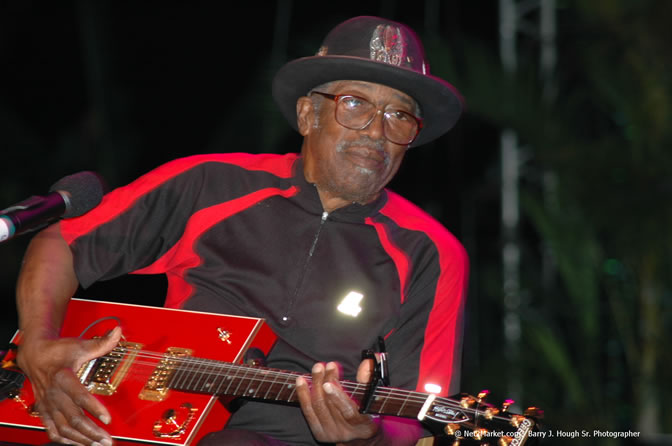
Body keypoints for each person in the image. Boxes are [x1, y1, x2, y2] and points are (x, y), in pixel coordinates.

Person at [15, 16, 468, 446]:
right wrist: (38, 343)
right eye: (355, 104)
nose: (377, 132)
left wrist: (369, 434)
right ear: (308, 115)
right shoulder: (212, 185)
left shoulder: (432, 252)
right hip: (147, 424)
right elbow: (62, 243)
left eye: (400, 117)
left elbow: (415, 417)